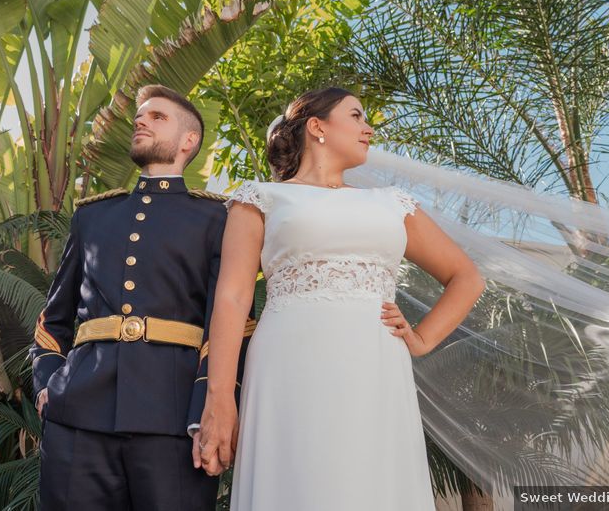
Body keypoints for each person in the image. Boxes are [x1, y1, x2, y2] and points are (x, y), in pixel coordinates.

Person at [196, 87, 486, 509]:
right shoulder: (261, 198)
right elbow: (233, 297)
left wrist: (422, 340)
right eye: (356, 116)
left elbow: (466, 277)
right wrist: (220, 398)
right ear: (317, 127)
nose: (368, 129)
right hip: (287, 364)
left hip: (375, 366)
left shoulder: (391, 204)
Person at [29, 84, 251, 510]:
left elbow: (233, 323)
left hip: (173, 417)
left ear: (189, 141)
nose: (141, 121)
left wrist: (205, 408)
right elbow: (52, 319)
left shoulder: (217, 218)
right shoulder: (92, 216)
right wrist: (48, 384)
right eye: (140, 117)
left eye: (158, 117)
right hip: (77, 412)